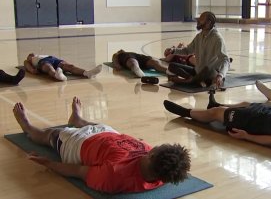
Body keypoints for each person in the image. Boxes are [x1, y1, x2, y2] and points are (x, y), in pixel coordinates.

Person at [13, 97, 191, 193]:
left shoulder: (113, 175)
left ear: (151, 156)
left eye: (156, 148)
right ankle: (78, 119)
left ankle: (27, 127)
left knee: (50, 134)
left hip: (77, 143)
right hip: (109, 134)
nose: (153, 147)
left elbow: (77, 171)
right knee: (100, 125)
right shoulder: (162, 171)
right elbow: (177, 169)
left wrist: (48, 163)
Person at [164, 11, 230, 88]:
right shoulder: (199, 37)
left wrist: (220, 76)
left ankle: (187, 81)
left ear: (208, 22)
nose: (198, 21)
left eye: (201, 19)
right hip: (198, 72)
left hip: (211, 73)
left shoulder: (217, 39)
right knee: (172, 66)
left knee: (207, 69)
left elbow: (226, 60)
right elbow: (187, 51)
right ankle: (193, 80)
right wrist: (173, 50)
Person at [24, 53, 102, 81]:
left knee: (69, 66)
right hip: (43, 62)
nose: (31, 55)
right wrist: (32, 70)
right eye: (29, 56)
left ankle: (87, 73)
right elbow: (28, 67)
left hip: (53, 59)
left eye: (32, 55)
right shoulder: (28, 61)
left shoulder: (39, 55)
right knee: (48, 67)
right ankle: (57, 75)